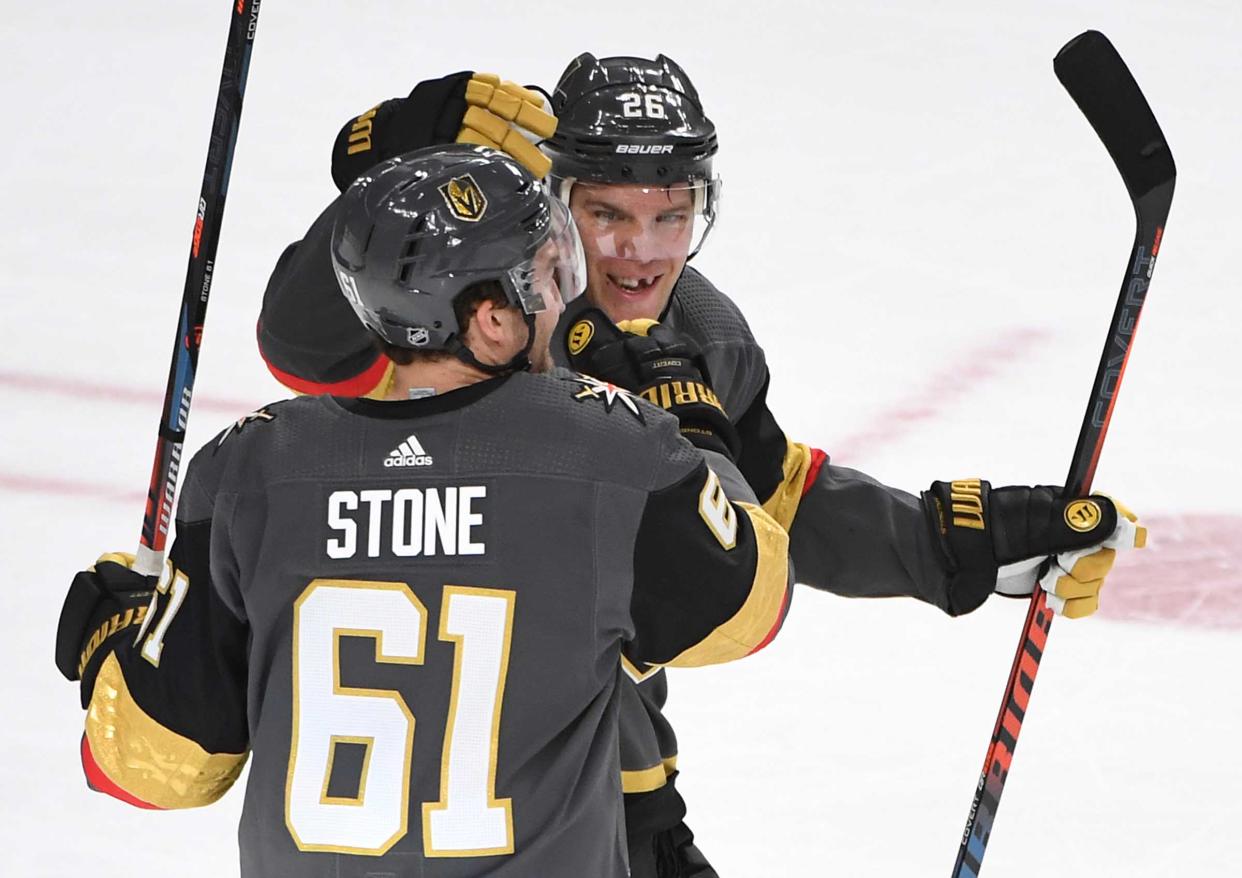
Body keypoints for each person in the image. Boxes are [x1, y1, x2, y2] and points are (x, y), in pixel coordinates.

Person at [254, 61, 1146, 876]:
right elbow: (302, 346)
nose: (640, 254)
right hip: (444, 801)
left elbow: (768, 499)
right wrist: (408, 151)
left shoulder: (698, 335)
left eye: (669, 215)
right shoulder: (466, 309)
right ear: (553, 203)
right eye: (607, 216)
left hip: (568, 796)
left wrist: (948, 545)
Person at [54, 145, 793, 877]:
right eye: (544, 274)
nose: (564, 296)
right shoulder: (606, 452)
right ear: (493, 321)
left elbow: (155, 774)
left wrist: (124, 644)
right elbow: (750, 610)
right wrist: (695, 430)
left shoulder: (248, 473)